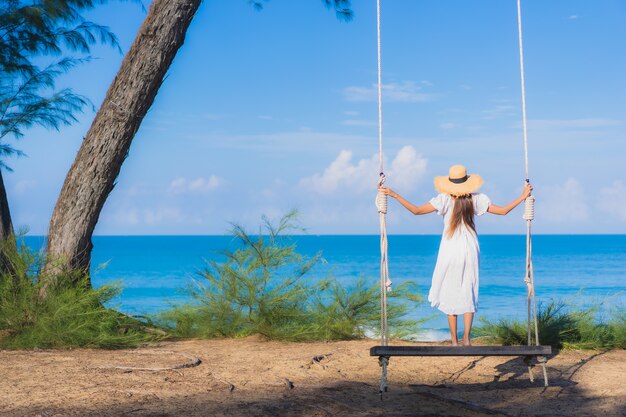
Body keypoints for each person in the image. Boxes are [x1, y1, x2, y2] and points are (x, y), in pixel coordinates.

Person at [379, 164, 532, 346]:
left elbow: (416, 211)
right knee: (469, 289)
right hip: (469, 249)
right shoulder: (476, 200)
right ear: (467, 182)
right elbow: (504, 211)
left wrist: (394, 194)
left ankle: (454, 341)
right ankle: (467, 339)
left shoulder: (443, 199)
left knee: (449, 290)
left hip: (450, 249)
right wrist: (523, 197)